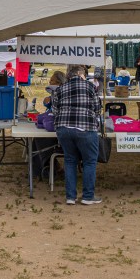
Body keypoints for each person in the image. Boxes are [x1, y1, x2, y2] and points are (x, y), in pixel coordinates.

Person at [52, 64, 102, 205]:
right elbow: (98, 109)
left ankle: (70, 197)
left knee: (69, 161)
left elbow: (55, 111)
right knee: (89, 161)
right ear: (80, 74)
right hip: (85, 128)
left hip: (64, 129)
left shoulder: (60, 88)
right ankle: (87, 196)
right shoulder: (90, 87)